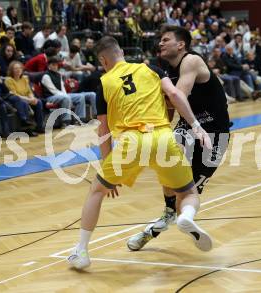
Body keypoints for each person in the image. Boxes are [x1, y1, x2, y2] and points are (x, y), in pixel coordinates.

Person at [67, 36, 214, 270]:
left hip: (131, 141)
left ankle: (81, 251)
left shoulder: (103, 83)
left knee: (96, 191)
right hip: (163, 137)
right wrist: (196, 126)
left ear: (103, 60)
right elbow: (176, 96)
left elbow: (103, 129)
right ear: (122, 53)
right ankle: (185, 216)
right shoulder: (151, 69)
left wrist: (108, 164)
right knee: (188, 193)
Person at [127, 25, 231, 251]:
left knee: (188, 191)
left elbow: (178, 95)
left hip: (215, 132)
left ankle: (180, 217)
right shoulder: (165, 68)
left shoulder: (191, 60)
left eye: (166, 39)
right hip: (189, 127)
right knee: (169, 156)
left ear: (181, 44)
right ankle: (175, 216)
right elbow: (170, 107)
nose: (160, 43)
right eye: (160, 40)